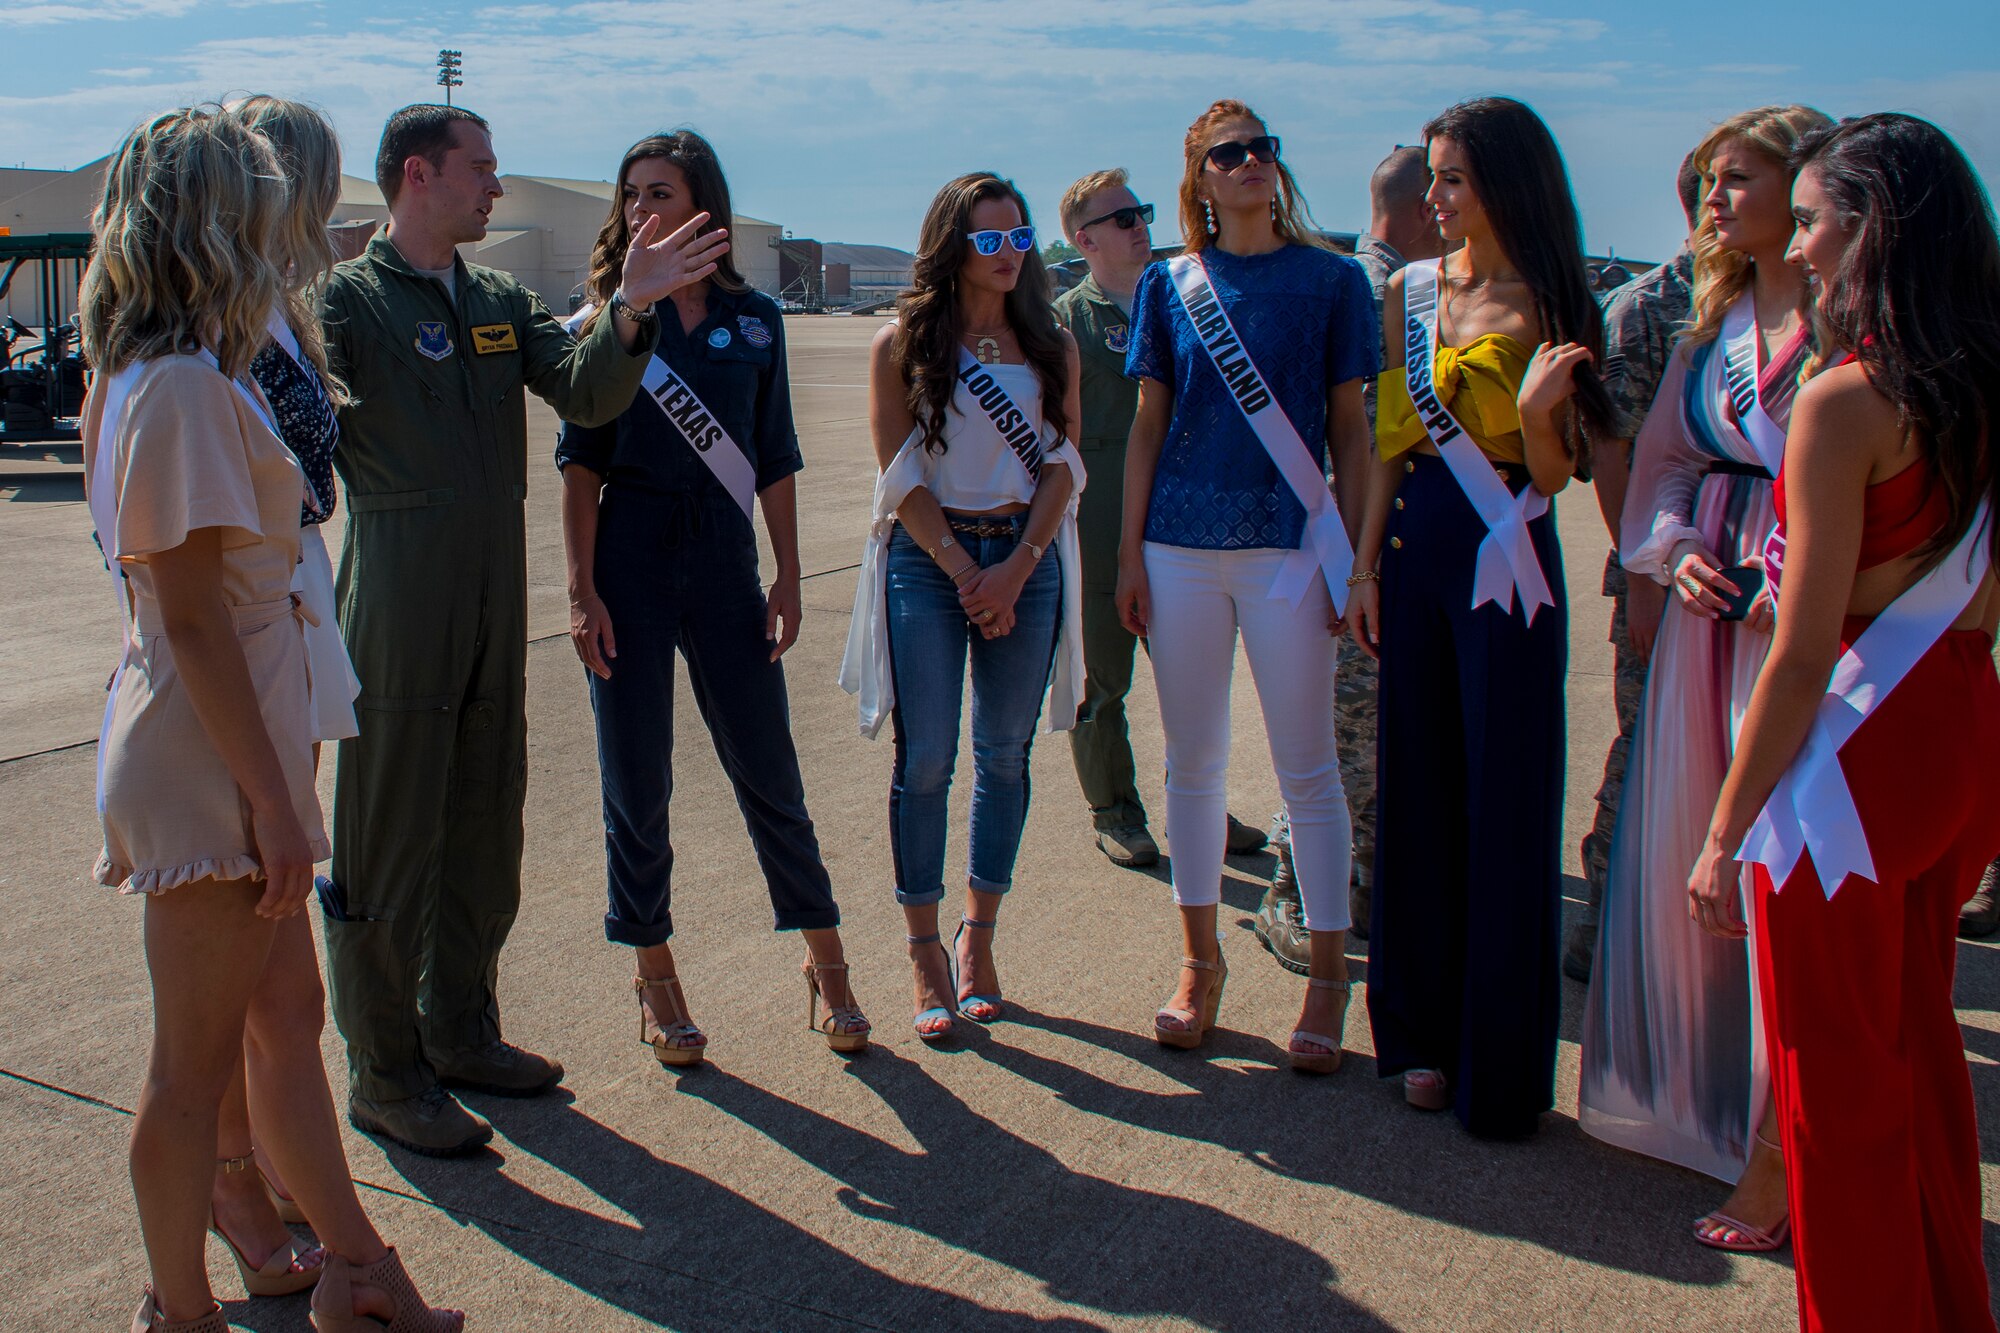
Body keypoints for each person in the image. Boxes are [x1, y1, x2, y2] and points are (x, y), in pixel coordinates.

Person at [82, 105, 459, 1333]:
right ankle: (179, 1311)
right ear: (209, 220)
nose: (281, 217)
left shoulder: (182, 371)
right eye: (256, 197)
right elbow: (190, 620)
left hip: (233, 732)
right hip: (211, 751)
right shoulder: (182, 385)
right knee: (189, 1071)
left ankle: (355, 1270)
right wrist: (271, 804)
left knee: (287, 1016)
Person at [319, 103, 727, 1155]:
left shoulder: (498, 297)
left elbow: (586, 395)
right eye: (481, 168)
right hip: (399, 587)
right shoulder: (349, 303)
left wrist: (629, 311)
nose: (496, 186)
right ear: (419, 175)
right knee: (386, 831)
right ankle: (383, 1068)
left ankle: (459, 1030)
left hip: (495, 588)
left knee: (484, 818)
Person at [1689, 112, 2000, 1332]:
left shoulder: (1843, 400)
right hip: (1960, 732)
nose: (1801, 246)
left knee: (1834, 1092)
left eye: (1814, 219)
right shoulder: (1980, 380)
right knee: (1919, 1055)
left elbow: (1805, 645)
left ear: (1870, 229)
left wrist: (1723, 831)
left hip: (1850, 776)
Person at [558, 131, 869, 1066]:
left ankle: (830, 966)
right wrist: (581, 592)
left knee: (769, 769)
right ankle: (655, 975)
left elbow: (774, 456)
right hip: (631, 561)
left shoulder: (758, 320)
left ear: (705, 207)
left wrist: (788, 571)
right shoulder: (608, 324)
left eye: (660, 192)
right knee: (637, 779)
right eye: (630, 195)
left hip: (726, 559)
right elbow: (580, 468)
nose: (640, 210)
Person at [1579, 105, 1830, 1246]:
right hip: (1705, 615)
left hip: (1805, 620)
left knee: (1783, 869)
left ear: (1804, 191)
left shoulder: (1854, 321)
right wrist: (1673, 551)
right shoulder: (1710, 313)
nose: (1711, 202)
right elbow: (1667, 462)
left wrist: (1800, 576)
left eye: (1735, 180)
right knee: (1690, 854)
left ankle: (1783, 1154)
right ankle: (1693, 1101)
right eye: (1705, 183)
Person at [1350, 96, 1619, 1135]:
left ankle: (1494, 1061)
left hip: (1502, 557)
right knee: (1416, 782)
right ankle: (1417, 1030)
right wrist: (1366, 567)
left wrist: (1545, 410)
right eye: (1430, 177)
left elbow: (1552, 476)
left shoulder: (1553, 299)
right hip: (1415, 549)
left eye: (1452, 178)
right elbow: (1385, 439)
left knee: (1501, 800)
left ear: (1505, 183)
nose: (1433, 197)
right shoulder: (1415, 293)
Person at [1117, 99, 1377, 1070]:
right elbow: (1146, 426)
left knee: (1307, 771)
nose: (1252, 164)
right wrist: (1126, 554)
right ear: (1198, 178)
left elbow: (1349, 434)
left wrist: (1356, 562)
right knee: (1191, 767)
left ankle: (1323, 978)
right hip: (1178, 551)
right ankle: (1198, 962)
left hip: (1287, 550)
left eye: (1263, 149)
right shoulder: (1166, 285)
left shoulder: (1332, 281)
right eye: (1230, 155)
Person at [840, 172, 1082, 1042]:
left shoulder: (1049, 343)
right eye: (988, 239)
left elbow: (1061, 466)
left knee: (1006, 756)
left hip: (1026, 556)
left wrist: (1015, 567)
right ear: (952, 247)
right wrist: (962, 570)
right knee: (929, 757)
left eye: (1017, 235)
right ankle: (922, 951)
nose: (1009, 252)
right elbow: (899, 473)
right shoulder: (901, 342)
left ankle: (978, 939)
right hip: (927, 561)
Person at [194, 91, 362, 1281]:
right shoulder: (209, 331)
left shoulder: (279, 314)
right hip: (249, 630)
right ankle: (233, 1182)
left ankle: (265, 1161)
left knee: (269, 945)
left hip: (293, 617)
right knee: (243, 949)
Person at [1259, 142, 1445, 967]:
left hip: (1362, 544)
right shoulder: (1370, 293)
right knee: (1343, 730)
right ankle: (1295, 889)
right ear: (1415, 209)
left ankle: (1352, 879)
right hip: (1345, 550)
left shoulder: (1391, 288)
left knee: (1359, 733)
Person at [1052, 167, 1263, 870]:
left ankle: (1197, 805)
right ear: (1084, 240)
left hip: (1179, 518)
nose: (1140, 225)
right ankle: (1115, 810)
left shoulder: (1179, 300)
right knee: (1101, 680)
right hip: (1100, 520)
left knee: (1190, 677)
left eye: (1140, 212)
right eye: (1120, 219)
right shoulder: (1069, 323)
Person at [1563, 151, 1701, 984]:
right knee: (1645, 749)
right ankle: (1606, 920)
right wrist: (1643, 570)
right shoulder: (1648, 307)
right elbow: (1614, 455)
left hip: (1753, 568)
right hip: (1663, 564)